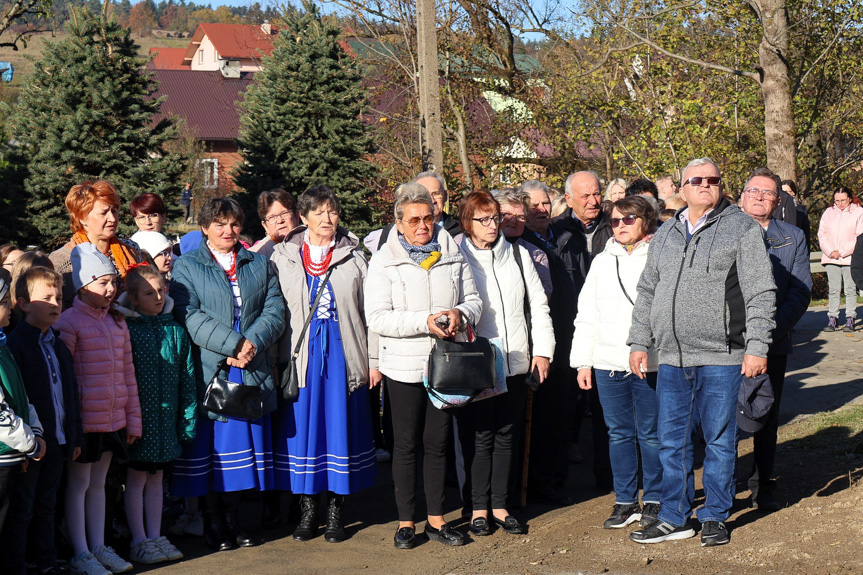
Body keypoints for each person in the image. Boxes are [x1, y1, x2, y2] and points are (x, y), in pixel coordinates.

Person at [627, 157, 776, 547]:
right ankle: (676, 515)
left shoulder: (741, 228)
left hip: (723, 355)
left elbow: (762, 291)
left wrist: (757, 347)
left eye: (713, 179)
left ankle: (715, 514)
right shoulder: (666, 233)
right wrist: (639, 341)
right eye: (697, 179)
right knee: (672, 439)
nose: (706, 184)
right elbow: (647, 291)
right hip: (673, 357)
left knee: (720, 438)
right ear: (682, 187)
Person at [365, 183, 482, 549]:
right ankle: (405, 521)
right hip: (403, 366)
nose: (422, 225)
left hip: (445, 364)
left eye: (428, 217)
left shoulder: (452, 251)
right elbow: (378, 317)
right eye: (413, 219)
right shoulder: (384, 260)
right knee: (405, 445)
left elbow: (475, 300)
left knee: (438, 443)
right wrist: (424, 321)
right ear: (398, 223)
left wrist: (458, 314)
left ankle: (436, 519)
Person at [169, 198, 285, 552]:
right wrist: (232, 344)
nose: (228, 231)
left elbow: (275, 308)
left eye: (234, 224)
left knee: (240, 451)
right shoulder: (187, 266)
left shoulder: (258, 263)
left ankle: (234, 519)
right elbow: (188, 314)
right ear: (204, 227)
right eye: (219, 224)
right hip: (210, 369)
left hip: (251, 367)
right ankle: (212, 520)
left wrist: (251, 342)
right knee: (212, 451)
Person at [271, 186, 377, 543]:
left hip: (343, 351)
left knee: (339, 431)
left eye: (332, 212)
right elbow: (274, 312)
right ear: (302, 217)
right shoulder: (282, 257)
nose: (327, 219)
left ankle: (336, 512)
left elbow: (370, 315)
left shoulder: (356, 258)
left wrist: (372, 361)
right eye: (318, 212)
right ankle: (307, 511)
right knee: (305, 434)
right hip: (301, 357)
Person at [455, 191, 554, 537]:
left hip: (515, 360)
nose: (492, 225)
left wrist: (542, 352)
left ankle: (500, 505)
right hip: (478, 362)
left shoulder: (519, 254)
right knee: (480, 436)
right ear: (468, 223)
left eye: (495, 217)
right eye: (483, 219)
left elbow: (538, 306)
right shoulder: (456, 255)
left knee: (507, 435)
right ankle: (477, 508)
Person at [572, 196, 662, 530]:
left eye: (629, 219)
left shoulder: (659, 256)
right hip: (607, 362)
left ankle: (654, 498)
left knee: (651, 434)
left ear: (646, 221)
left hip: (650, 361)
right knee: (619, 434)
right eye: (615, 220)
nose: (621, 225)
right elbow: (587, 315)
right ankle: (625, 500)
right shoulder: (601, 261)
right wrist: (583, 361)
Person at [56, 244, 141, 575]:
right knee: (78, 485)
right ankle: (80, 551)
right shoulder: (69, 322)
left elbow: (128, 374)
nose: (110, 290)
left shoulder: (117, 321)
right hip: (84, 424)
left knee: (99, 485)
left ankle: (98, 545)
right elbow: (64, 379)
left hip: (113, 421)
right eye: (102, 283)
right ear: (82, 285)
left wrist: (132, 419)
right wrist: (71, 424)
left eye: (112, 282)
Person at [739, 167, 812, 511]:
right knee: (719, 417)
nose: (759, 197)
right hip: (725, 343)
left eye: (768, 193)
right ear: (742, 194)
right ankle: (722, 485)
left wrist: (765, 334)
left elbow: (799, 292)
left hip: (772, 342)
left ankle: (762, 483)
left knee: (765, 415)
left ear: (778, 200)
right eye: (754, 190)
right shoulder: (724, 230)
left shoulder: (791, 237)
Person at [115, 265, 197, 564]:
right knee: (136, 479)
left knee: (157, 478)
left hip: (166, 422)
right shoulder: (128, 330)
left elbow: (187, 378)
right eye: (150, 293)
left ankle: (155, 534)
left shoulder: (175, 330)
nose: (159, 297)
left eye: (161, 290)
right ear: (134, 299)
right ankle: (139, 539)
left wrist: (186, 420)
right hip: (140, 422)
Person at [3, 267, 81, 575]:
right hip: (31, 444)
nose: (55, 303)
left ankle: (48, 562)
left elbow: (70, 395)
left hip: (58, 442)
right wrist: (27, 444)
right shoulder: (15, 345)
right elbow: (17, 400)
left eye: (59, 297)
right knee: (24, 508)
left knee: (48, 504)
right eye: (46, 297)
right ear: (23, 304)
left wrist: (73, 437)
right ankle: (19, 564)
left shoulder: (58, 344)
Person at [518, 179, 587, 504]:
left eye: (546, 203)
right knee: (542, 418)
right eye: (534, 205)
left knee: (562, 414)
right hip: (538, 347)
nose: (542, 210)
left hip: (567, 341)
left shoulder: (563, 238)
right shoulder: (520, 244)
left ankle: (557, 478)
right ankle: (539, 483)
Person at [553, 171, 613, 491]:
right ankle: (561, 478)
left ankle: (607, 476)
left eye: (597, 194)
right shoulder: (556, 232)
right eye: (585, 196)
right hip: (568, 328)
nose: (593, 201)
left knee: (605, 406)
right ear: (569, 199)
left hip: (606, 327)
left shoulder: (614, 226)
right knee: (567, 403)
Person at [0, 272, 46, 537]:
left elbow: (20, 396)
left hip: (13, 454)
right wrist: (29, 443)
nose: (9, 307)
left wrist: (32, 437)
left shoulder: (3, 346)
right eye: (4, 301)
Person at [49, 181, 141, 310]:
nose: (113, 219)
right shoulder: (62, 261)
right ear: (82, 217)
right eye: (104, 213)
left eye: (114, 211)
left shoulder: (131, 251)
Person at [817, 187, 863, 332]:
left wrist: (842, 252)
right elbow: (822, 234)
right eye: (837, 201)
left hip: (850, 257)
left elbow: (859, 237)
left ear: (850, 198)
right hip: (831, 257)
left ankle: (850, 318)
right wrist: (831, 251)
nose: (840, 203)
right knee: (834, 289)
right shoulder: (828, 213)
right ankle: (833, 318)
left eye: (843, 200)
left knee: (850, 289)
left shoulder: (859, 212)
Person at [376, 172, 462, 250]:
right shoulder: (392, 232)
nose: (432, 200)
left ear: (445, 196)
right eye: (425, 195)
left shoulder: (461, 229)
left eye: (436, 194)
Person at [495, 188, 553, 297]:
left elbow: (543, 294)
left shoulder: (536, 255)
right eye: (506, 214)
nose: (513, 221)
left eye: (520, 217)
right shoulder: (477, 245)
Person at [250, 189, 299, 259]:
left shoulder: (312, 245)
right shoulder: (256, 256)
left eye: (284, 213)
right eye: (272, 217)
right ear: (265, 226)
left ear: (297, 216)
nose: (279, 221)